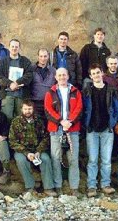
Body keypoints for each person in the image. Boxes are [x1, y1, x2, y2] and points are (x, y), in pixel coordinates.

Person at [82, 64, 118, 197]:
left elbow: (117, 108)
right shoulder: (87, 90)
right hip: (92, 129)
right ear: (90, 76)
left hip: (107, 130)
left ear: (102, 73)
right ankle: (92, 186)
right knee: (92, 159)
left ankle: (105, 184)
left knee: (106, 160)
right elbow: (83, 109)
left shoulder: (110, 90)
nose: (96, 75)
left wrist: (115, 121)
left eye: (98, 73)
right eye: (93, 73)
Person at [44, 68, 83, 196]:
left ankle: (74, 187)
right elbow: (48, 110)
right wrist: (61, 121)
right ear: (55, 77)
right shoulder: (50, 92)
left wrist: (70, 122)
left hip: (72, 130)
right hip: (56, 130)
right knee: (56, 158)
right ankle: (58, 186)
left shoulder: (75, 92)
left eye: (64, 75)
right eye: (59, 75)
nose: (62, 77)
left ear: (68, 76)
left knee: (73, 159)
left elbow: (79, 108)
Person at [8, 100, 57, 196]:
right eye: (25, 109)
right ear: (21, 109)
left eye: (29, 109)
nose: (27, 111)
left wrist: (38, 151)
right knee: (21, 160)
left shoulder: (39, 121)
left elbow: (46, 138)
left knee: (46, 159)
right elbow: (12, 141)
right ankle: (30, 187)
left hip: (37, 149)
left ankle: (48, 188)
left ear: (33, 109)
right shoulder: (16, 122)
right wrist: (26, 153)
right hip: (22, 150)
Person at [0, 39, 33, 121]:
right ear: (9, 48)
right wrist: (10, 84)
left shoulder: (25, 61)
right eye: (12, 46)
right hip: (7, 94)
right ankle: (8, 134)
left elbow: (29, 74)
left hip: (21, 95)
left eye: (16, 47)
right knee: (6, 117)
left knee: (21, 118)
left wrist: (17, 82)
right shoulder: (3, 62)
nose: (14, 48)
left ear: (19, 48)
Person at [31, 48, 56, 122]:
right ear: (38, 56)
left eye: (45, 56)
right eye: (41, 56)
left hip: (49, 102)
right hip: (35, 102)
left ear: (48, 57)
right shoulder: (31, 69)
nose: (43, 58)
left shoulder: (53, 70)